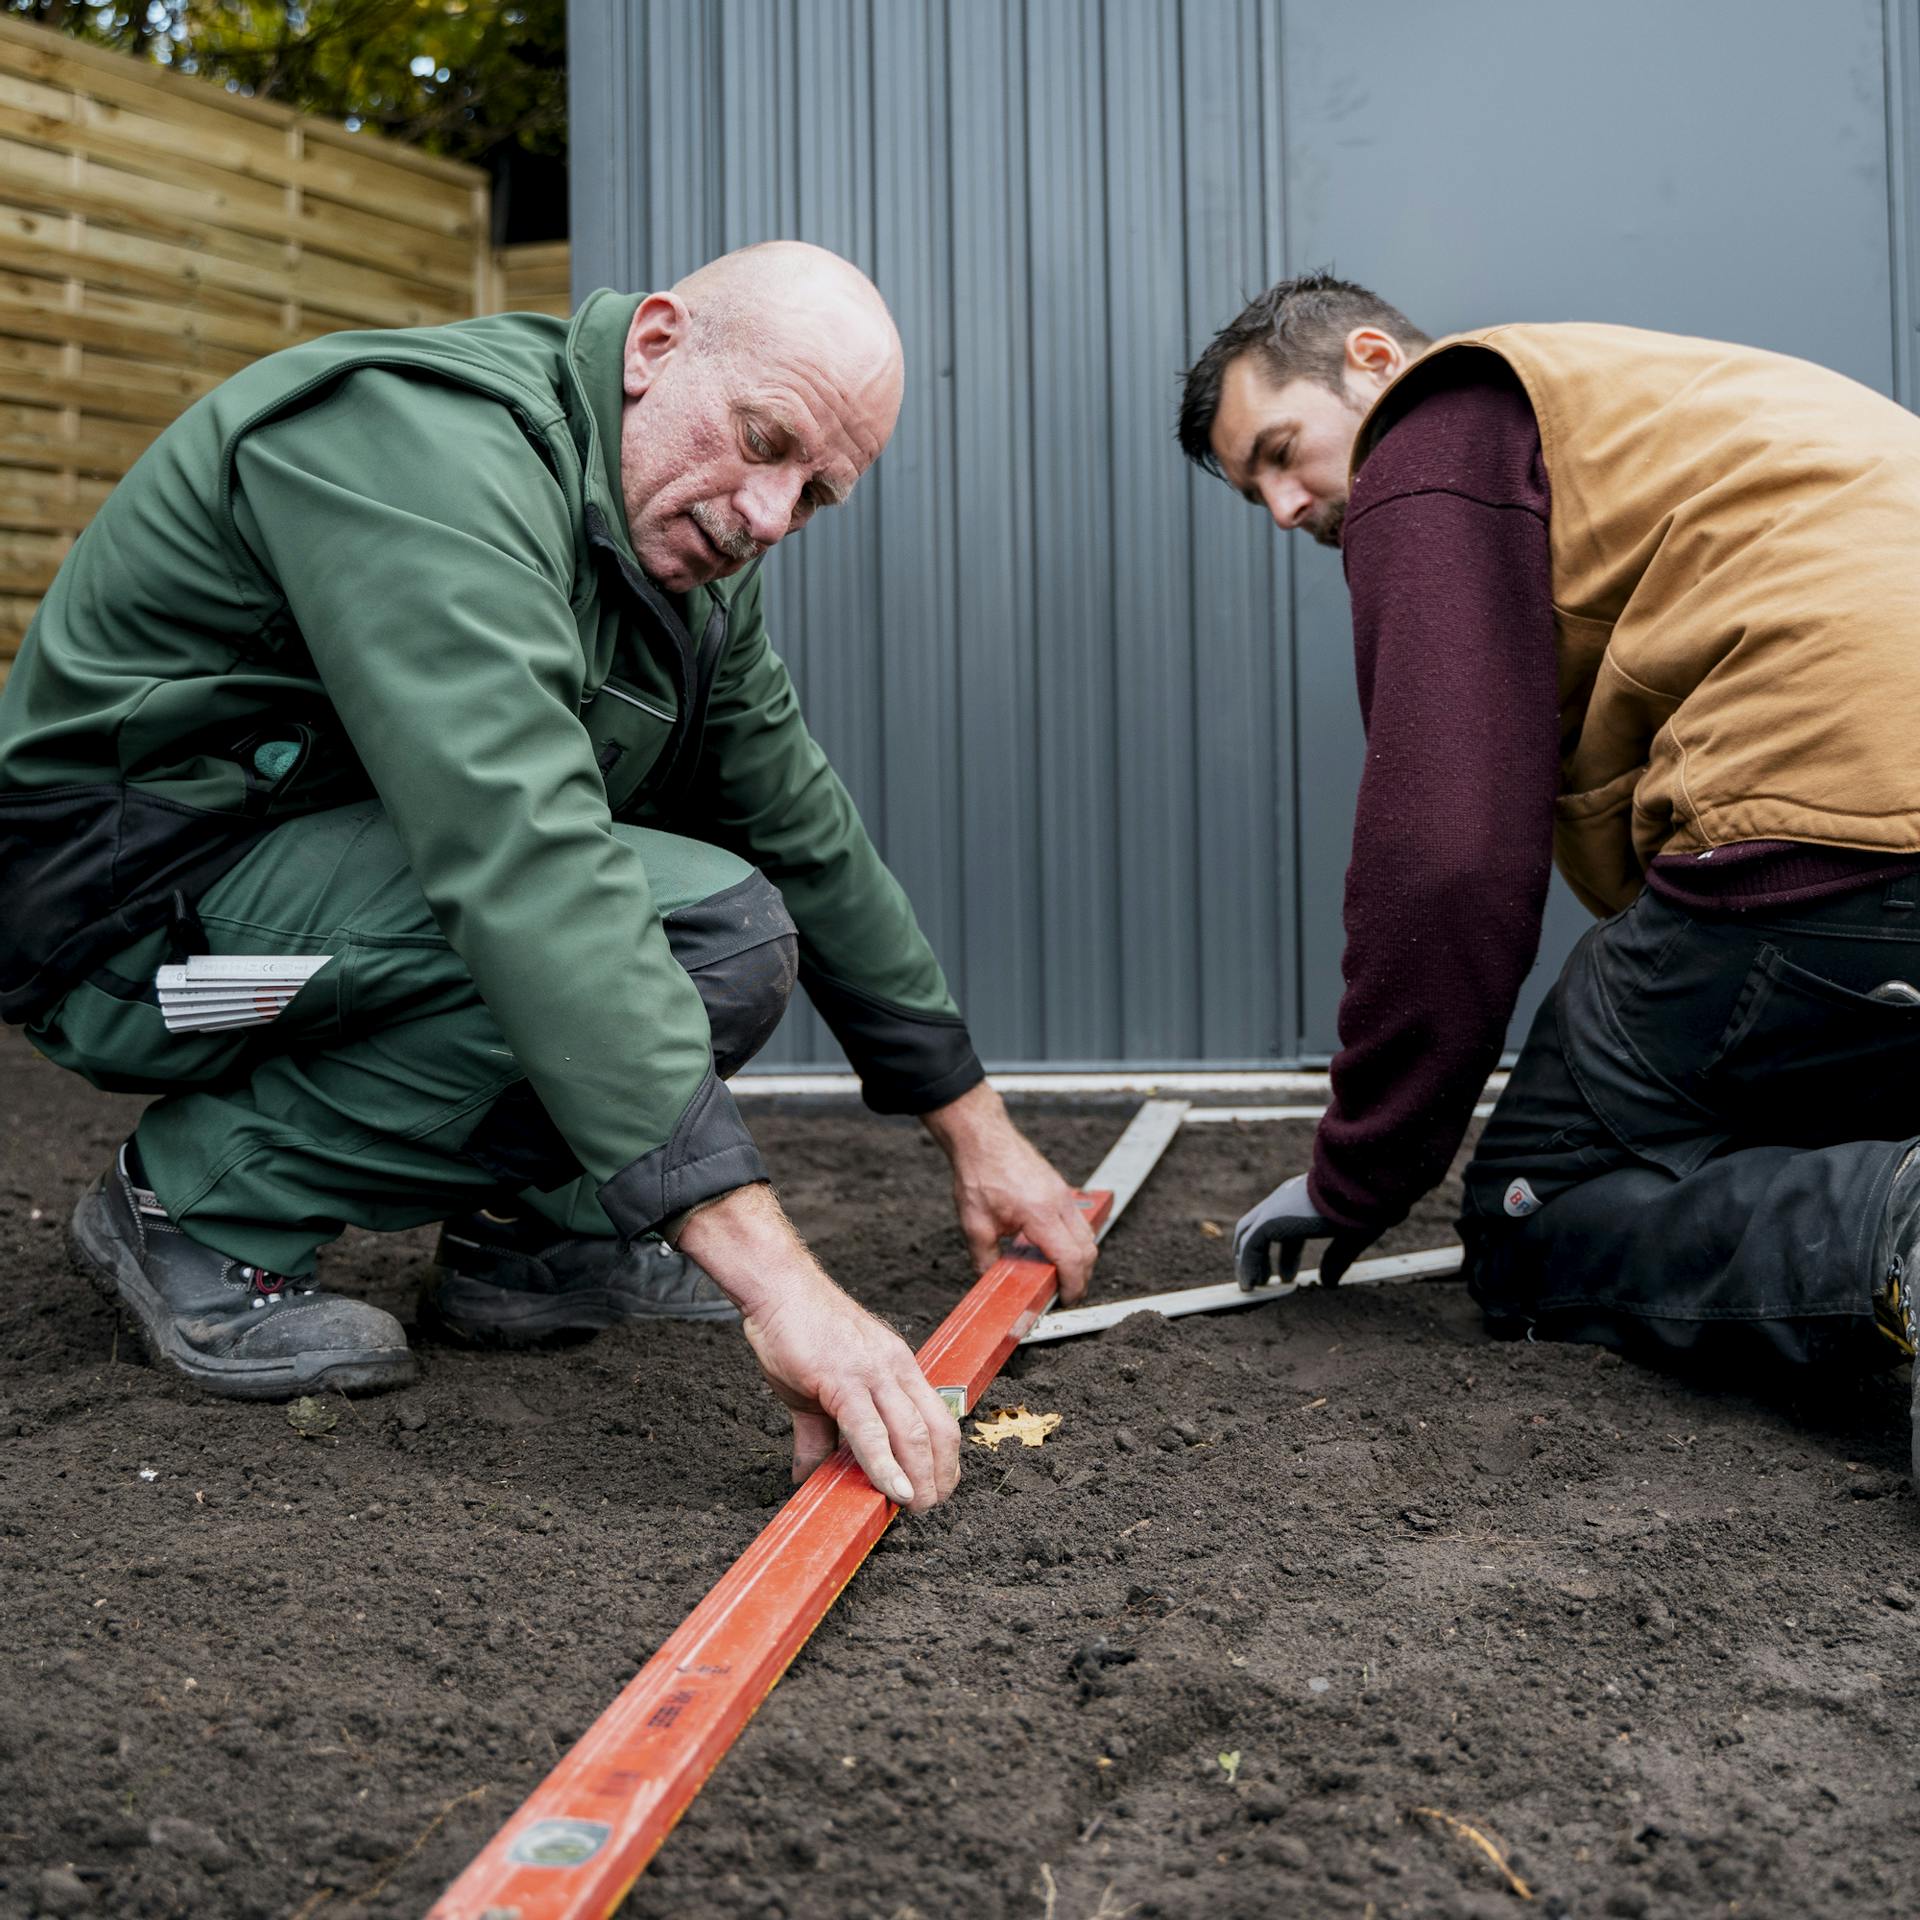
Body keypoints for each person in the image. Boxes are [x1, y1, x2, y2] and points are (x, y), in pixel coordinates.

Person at [0, 240, 1097, 1512]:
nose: (767, 516)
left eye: (815, 494)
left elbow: (806, 830)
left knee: (727, 919)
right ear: (654, 346)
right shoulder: (419, 445)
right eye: (764, 440)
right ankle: (198, 1209)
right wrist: (783, 1288)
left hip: (306, 885)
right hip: (126, 915)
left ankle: (536, 1244)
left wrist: (979, 1133)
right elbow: (521, 853)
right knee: (698, 932)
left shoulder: (677, 569)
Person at [1176, 272, 1920, 1465]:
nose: (1281, 506)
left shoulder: (1436, 423)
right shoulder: (1646, 404)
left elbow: (1448, 860)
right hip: (1877, 834)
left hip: (1832, 820)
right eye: (1250, 489)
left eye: (1278, 451)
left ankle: (1902, 1241)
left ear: (1372, 360)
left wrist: (1361, 1171)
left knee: (1539, 1204)